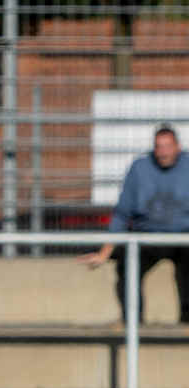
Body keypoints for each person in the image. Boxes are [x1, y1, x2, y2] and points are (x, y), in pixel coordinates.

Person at [80, 123, 189, 324]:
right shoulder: (140, 169)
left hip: (183, 237)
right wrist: (104, 253)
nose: (163, 152)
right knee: (127, 267)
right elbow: (122, 214)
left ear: (177, 147)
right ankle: (134, 323)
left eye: (167, 146)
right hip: (147, 237)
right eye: (159, 147)